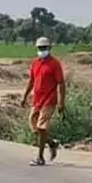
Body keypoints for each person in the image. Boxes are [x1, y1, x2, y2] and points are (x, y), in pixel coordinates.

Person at [20, 36, 65, 166]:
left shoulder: (55, 64)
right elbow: (31, 81)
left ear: (49, 48)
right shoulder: (35, 63)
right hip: (37, 99)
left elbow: (61, 84)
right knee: (34, 127)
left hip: (49, 100)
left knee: (41, 126)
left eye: (44, 48)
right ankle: (51, 143)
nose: (42, 50)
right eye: (40, 48)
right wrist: (24, 96)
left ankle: (40, 157)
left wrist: (61, 102)